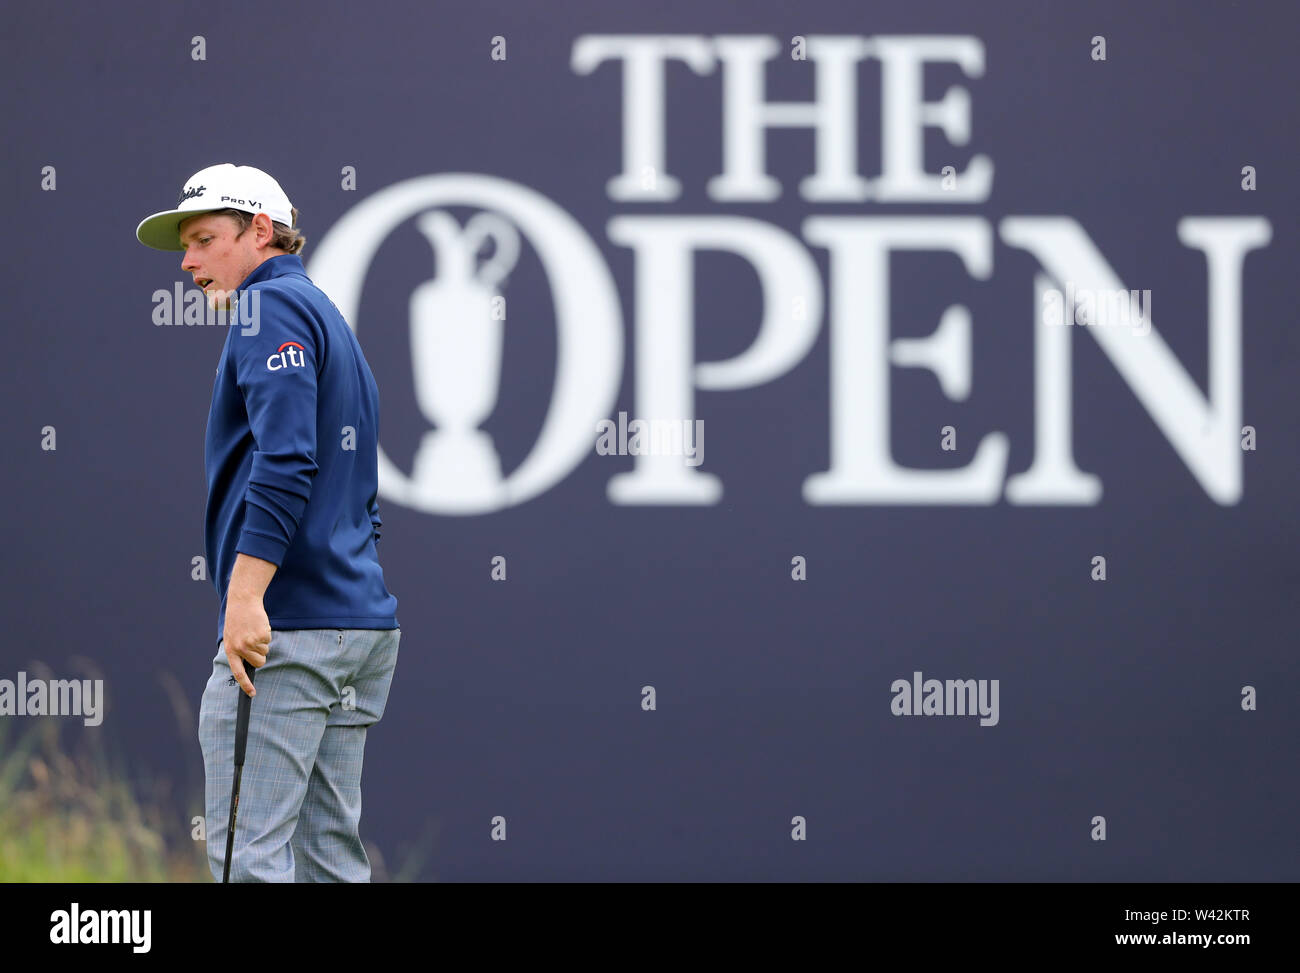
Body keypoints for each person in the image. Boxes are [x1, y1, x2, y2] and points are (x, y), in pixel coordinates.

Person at [135, 163, 400, 882]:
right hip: (357, 628)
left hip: (287, 630)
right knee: (329, 863)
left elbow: (286, 461)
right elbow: (359, 493)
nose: (188, 263)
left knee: (247, 861)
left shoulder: (268, 309)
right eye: (185, 247)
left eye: (204, 239)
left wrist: (247, 598)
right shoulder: (322, 312)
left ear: (260, 230)